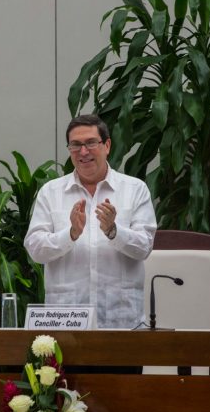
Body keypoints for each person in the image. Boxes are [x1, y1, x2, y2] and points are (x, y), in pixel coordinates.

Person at [24, 114, 157, 329]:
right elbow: (36, 250)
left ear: (107, 145)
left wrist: (114, 231)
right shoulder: (51, 192)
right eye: (75, 145)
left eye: (90, 143)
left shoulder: (135, 189)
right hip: (66, 324)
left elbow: (144, 247)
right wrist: (70, 235)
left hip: (122, 323)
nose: (83, 152)